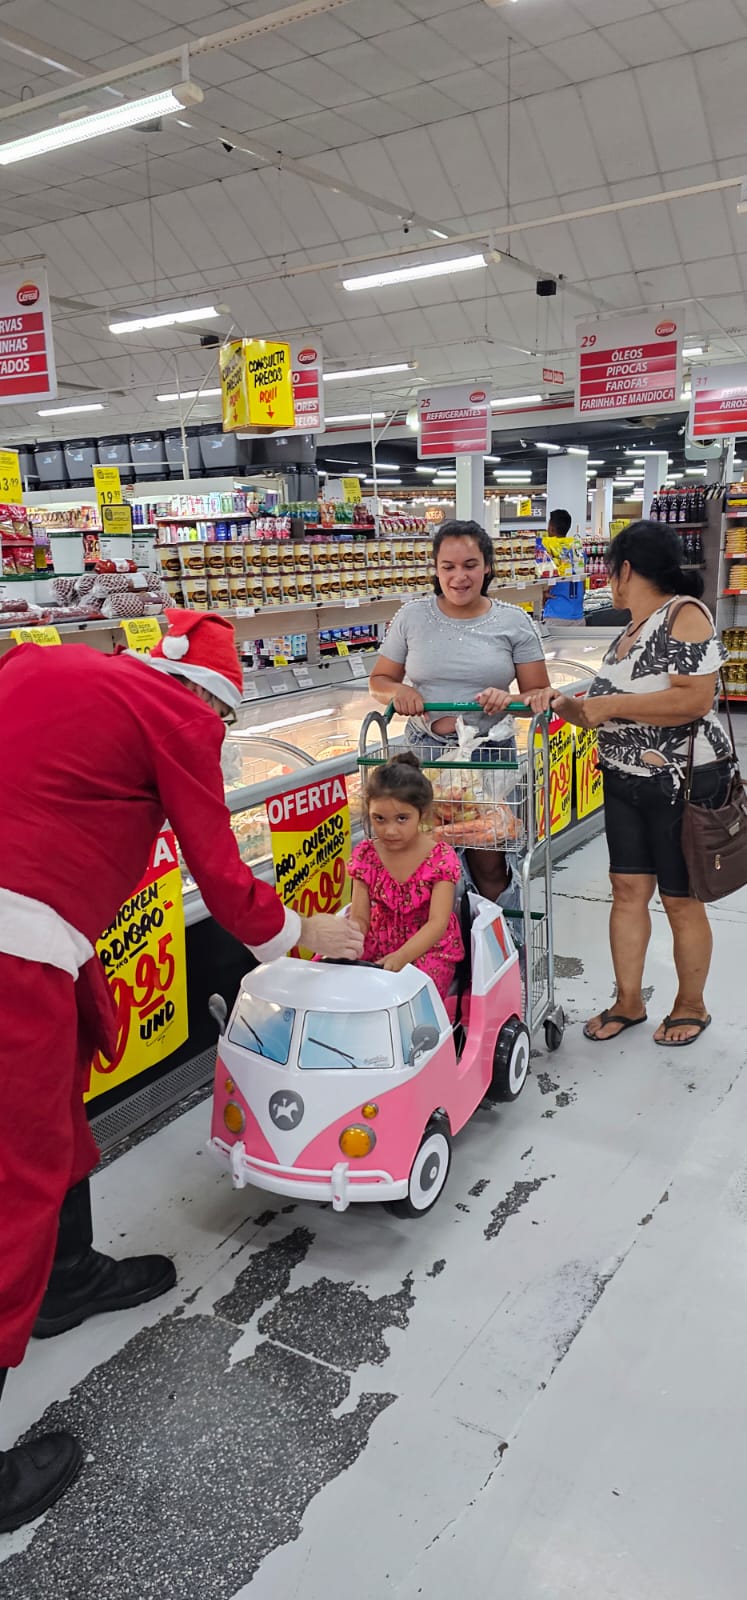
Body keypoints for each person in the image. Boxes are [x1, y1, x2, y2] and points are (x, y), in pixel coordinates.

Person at [0, 609, 363, 1534]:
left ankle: (67, 1278)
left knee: (49, 1124)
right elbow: (218, 865)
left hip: (37, 938)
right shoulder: (178, 718)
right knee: (11, 1190)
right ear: (216, 702)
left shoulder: (47, 669)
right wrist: (298, 936)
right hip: (11, 957)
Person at [551, 521, 733, 1049]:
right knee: (627, 890)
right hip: (626, 779)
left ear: (625, 569)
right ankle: (628, 1000)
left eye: (611, 571)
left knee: (680, 898)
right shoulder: (630, 630)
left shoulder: (684, 614)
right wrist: (569, 707)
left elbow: (694, 700)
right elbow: (604, 714)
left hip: (684, 779)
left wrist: (611, 705)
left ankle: (691, 1004)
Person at [369, 518, 554, 908]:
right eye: (448, 567)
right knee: (427, 865)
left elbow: (539, 694)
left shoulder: (513, 621)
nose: (459, 577)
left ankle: (498, 947)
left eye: (470, 565)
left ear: (487, 566)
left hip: (489, 759)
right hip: (425, 757)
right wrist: (399, 690)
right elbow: (379, 680)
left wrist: (508, 699)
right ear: (435, 569)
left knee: (489, 862)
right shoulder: (412, 616)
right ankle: (440, 954)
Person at [349, 753, 463, 999]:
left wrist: (402, 957)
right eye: (379, 819)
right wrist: (347, 936)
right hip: (377, 941)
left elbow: (437, 923)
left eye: (402, 819)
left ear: (421, 814)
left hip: (427, 948)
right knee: (335, 977)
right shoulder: (365, 855)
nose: (390, 830)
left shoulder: (440, 858)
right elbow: (360, 916)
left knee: (407, 996)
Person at [542, 507, 585, 623]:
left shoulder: (547, 549)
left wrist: (544, 593)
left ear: (551, 528)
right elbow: (583, 579)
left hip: (556, 613)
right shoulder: (577, 548)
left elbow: (546, 578)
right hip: (578, 614)